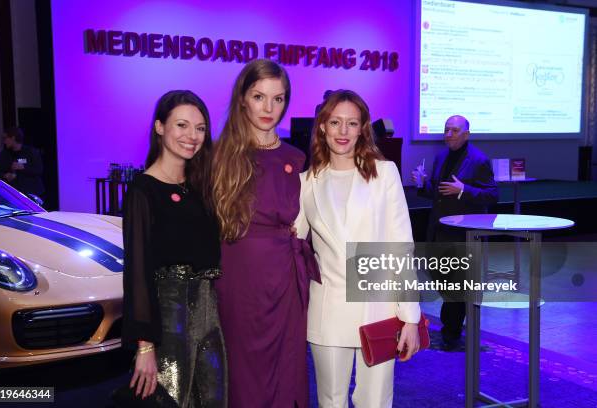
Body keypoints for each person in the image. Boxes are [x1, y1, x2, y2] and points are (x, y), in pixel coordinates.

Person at [295, 90, 420, 407]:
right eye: (335, 122)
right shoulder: (306, 182)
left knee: (375, 401)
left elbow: (401, 248)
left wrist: (410, 318)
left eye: (352, 123)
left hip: (378, 309)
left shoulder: (384, 174)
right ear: (322, 126)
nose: (343, 131)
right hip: (328, 310)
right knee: (331, 401)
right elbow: (290, 240)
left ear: (363, 127)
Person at [212, 59, 319, 408]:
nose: (269, 108)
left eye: (278, 98)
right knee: (244, 370)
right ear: (243, 98)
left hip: (286, 277)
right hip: (239, 277)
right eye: (259, 97)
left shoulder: (298, 158)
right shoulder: (219, 155)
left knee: (288, 367)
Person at [121, 90, 226, 406]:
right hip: (169, 321)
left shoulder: (201, 187)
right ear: (159, 127)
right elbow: (137, 271)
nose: (192, 136)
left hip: (210, 317)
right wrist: (145, 346)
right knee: (171, 401)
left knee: (214, 401)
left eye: (200, 128)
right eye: (182, 125)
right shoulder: (144, 190)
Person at [413, 114, 498, 350]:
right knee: (442, 279)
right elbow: (439, 193)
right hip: (438, 230)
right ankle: (453, 326)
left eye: (455, 130)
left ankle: (451, 333)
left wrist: (464, 190)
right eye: (446, 130)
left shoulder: (479, 160)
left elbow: (492, 195)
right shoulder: (441, 157)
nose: (449, 134)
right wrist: (422, 184)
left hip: (462, 234)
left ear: (466, 134)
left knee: (456, 286)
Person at [0, 127, 44, 198]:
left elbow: (39, 170)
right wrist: (6, 175)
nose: (4, 142)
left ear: (13, 138)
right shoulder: (4, 154)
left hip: (31, 193)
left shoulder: (31, 152)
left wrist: (23, 167)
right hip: (12, 194)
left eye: (5, 138)